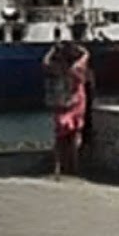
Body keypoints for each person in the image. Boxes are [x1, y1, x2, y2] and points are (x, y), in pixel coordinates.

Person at [45, 34, 91, 177]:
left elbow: (45, 62)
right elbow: (86, 54)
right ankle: (74, 167)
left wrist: (53, 50)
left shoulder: (55, 69)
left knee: (59, 138)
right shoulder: (76, 68)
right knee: (75, 135)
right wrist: (79, 48)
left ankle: (58, 167)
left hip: (61, 102)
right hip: (77, 102)